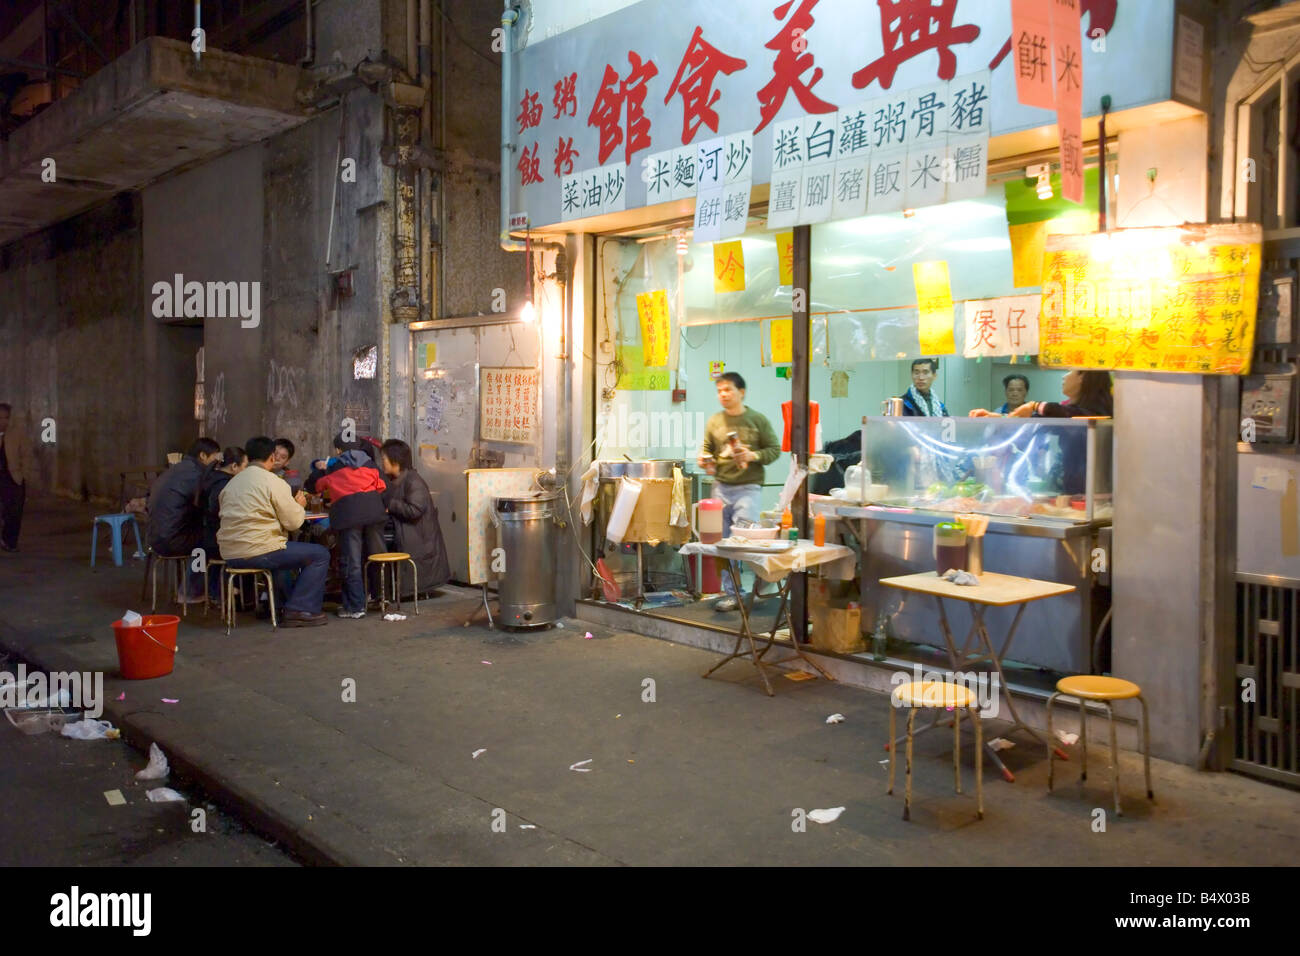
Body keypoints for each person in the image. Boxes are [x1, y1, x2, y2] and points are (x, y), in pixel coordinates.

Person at [218, 436, 329, 627]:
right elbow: (294, 523)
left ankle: (278, 606)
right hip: (259, 550)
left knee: (282, 557)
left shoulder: (232, 483)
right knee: (319, 554)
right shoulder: (273, 482)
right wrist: (298, 505)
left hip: (230, 553)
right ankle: (300, 609)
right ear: (271, 457)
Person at [696, 372, 780, 612]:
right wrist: (705, 460)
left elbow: (774, 450)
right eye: (720, 391)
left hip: (748, 488)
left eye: (728, 390)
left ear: (741, 392)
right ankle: (732, 592)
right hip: (720, 487)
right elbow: (706, 450)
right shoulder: (714, 422)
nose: (723, 395)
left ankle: (760, 588)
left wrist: (752, 455)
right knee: (722, 544)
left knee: (745, 541)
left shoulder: (757, 420)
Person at [307, 434, 388, 619]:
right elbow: (382, 486)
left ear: (337, 450)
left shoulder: (334, 466)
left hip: (349, 516)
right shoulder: (371, 464)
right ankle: (381, 597)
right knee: (378, 556)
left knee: (352, 562)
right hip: (375, 513)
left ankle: (355, 607)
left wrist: (321, 469)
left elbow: (314, 487)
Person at [148, 437, 220, 600]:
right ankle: (192, 591)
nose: (217, 462)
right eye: (215, 457)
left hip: (155, 536)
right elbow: (205, 506)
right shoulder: (196, 475)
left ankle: (202, 587)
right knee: (207, 543)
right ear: (203, 455)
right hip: (172, 539)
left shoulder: (176, 469)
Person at [379, 439, 451, 595]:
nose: (382, 463)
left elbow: (414, 510)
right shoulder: (396, 480)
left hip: (419, 540)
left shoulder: (413, 481)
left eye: (383, 459)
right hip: (407, 533)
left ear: (395, 460)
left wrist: (389, 504)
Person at [200, 446, 247, 559]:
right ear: (234, 466)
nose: (246, 471)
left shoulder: (211, 478)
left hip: (207, 539)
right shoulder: (226, 485)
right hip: (218, 542)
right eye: (245, 466)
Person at [0, 403, 35, 552]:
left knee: (14, 512)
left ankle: (10, 542)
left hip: (13, 477)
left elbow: (27, 454)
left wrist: (23, 474)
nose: (3, 421)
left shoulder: (17, 433)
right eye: (0, 418)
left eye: (6, 418)